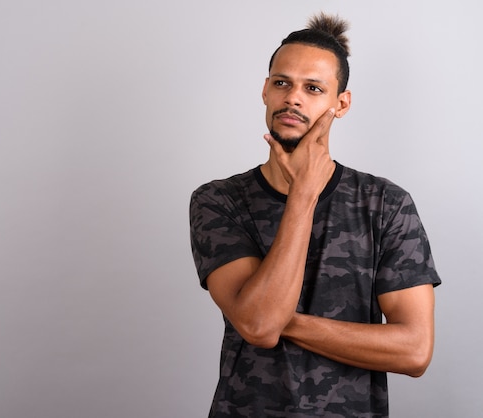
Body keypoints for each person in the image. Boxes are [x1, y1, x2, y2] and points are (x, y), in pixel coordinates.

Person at [189, 12, 441, 417]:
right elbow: (255, 327)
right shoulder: (219, 200)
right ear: (265, 91)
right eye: (282, 83)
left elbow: (414, 351)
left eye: (313, 88)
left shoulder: (385, 204)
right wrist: (304, 195)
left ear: (341, 104)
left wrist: (276, 319)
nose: (293, 97)